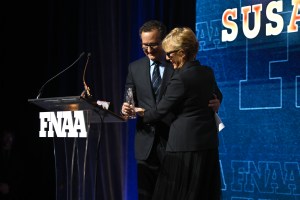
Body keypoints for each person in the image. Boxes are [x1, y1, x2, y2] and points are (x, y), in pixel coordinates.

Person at [135, 27, 223, 199]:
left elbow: (160, 111)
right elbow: (217, 94)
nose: (167, 58)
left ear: (182, 53)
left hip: (183, 147)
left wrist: (142, 113)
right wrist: (217, 101)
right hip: (207, 145)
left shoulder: (181, 78)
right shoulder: (207, 72)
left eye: (170, 54)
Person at [0, 129, 24, 200]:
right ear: (3, 137)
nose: (8, 139)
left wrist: (10, 187)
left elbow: (21, 175)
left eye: (10, 137)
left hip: (13, 194)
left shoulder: (18, 156)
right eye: (6, 136)